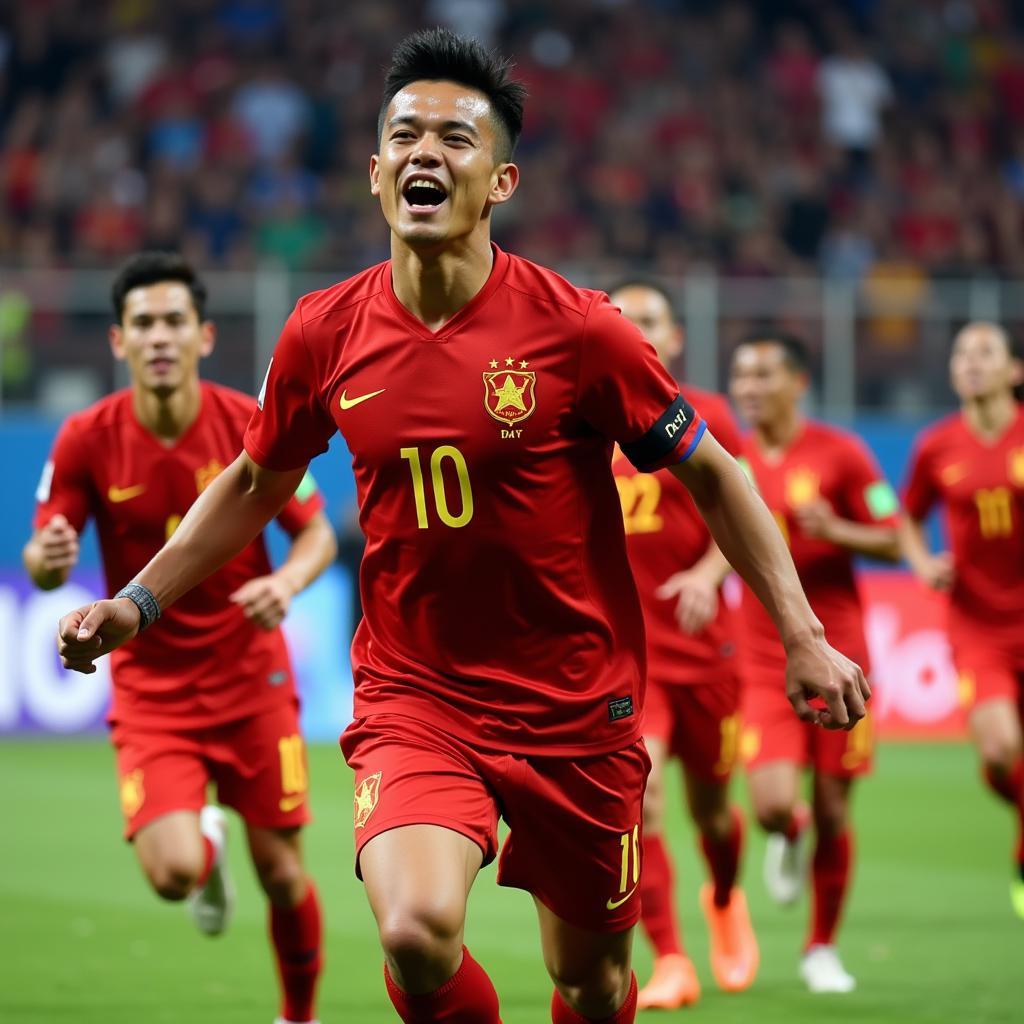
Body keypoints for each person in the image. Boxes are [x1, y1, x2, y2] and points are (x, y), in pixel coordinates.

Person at [56, 31, 869, 1024]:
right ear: (374, 172)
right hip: (416, 693)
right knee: (412, 930)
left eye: (454, 137)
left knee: (593, 981)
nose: (424, 152)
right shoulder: (324, 329)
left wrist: (801, 632)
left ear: (499, 181)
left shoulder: (578, 330)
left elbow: (714, 469)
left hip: (574, 701)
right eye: (404, 134)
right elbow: (255, 481)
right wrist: (139, 602)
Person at [25, 252, 336, 1024]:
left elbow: (318, 535)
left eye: (173, 323)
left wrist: (286, 583)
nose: (158, 337)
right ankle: (203, 848)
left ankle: (297, 1016)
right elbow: (41, 563)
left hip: (249, 677)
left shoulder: (249, 427)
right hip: (152, 688)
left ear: (201, 336)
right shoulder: (85, 438)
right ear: (118, 342)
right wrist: (47, 559)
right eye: (143, 324)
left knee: (284, 872)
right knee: (170, 874)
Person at [728, 329, 900, 994]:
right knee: (773, 804)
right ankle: (787, 831)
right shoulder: (728, 455)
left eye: (764, 374)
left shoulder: (844, 454)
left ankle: (820, 947)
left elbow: (892, 534)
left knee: (834, 806)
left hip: (839, 653)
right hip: (761, 653)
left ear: (798, 382)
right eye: (742, 374)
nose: (749, 387)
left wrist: (839, 531)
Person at [609, 281, 757, 1008]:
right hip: (627, 658)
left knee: (714, 814)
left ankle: (724, 896)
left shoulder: (707, 413)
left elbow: (742, 509)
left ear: (673, 339)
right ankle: (670, 958)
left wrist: (707, 571)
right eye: (623, 319)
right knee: (645, 796)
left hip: (705, 650)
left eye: (649, 321)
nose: (635, 330)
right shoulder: (585, 419)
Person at [900, 321, 1024, 920]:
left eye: (986, 352)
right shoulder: (936, 445)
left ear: (1014, 370)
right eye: (962, 354)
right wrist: (923, 562)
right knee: (1001, 751)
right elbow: (903, 515)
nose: (972, 363)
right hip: (978, 625)